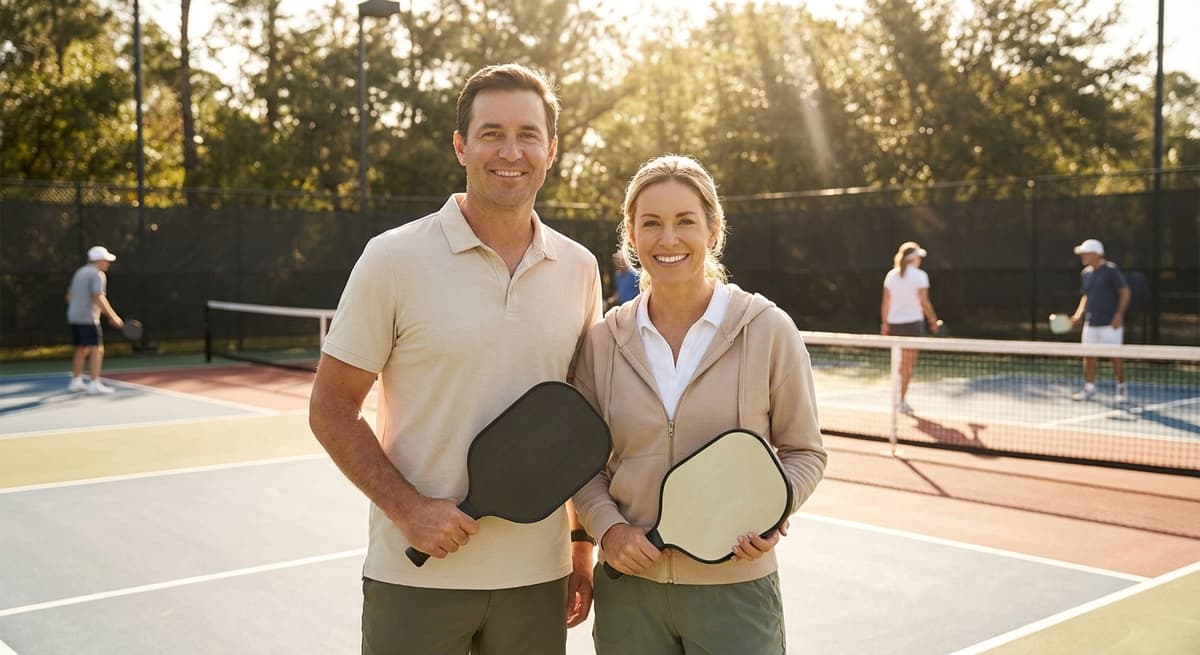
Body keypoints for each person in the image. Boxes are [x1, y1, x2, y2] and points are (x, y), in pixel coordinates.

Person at [307, 64, 602, 655]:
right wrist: (409, 510)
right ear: (461, 146)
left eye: (527, 134)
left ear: (551, 149)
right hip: (416, 578)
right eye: (491, 133)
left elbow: (573, 420)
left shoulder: (580, 269)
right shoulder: (392, 258)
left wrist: (578, 544)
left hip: (537, 580)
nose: (510, 151)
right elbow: (331, 408)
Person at [571, 155, 827, 655]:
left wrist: (774, 509)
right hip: (629, 593)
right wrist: (610, 528)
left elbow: (805, 452)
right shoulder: (603, 341)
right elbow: (581, 466)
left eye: (685, 221)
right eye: (652, 223)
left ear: (713, 229)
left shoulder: (768, 329)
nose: (669, 240)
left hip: (735, 593)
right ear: (632, 233)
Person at [880, 241, 940, 414]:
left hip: (894, 325)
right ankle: (901, 400)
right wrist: (933, 320)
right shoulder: (920, 275)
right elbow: (924, 302)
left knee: (898, 365)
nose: (920, 260)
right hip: (913, 325)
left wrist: (885, 324)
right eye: (918, 257)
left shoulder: (891, 275)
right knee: (907, 366)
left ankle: (898, 399)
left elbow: (885, 303)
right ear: (913, 258)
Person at [1069, 238, 1130, 402]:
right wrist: (1077, 315)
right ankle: (1089, 388)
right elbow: (1086, 296)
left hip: (1110, 324)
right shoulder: (1086, 273)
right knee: (1088, 356)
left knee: (1115, 357)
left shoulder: (1111, 270)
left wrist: (1118, 315)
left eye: (1085, 253)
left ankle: (1121, 388)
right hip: (1091, 323)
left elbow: (1125, 293)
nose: (1082, 256)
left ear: (1096, 254)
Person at [66, 245, 124, 394]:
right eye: (105, 260)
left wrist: (79, 307)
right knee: (97, 349)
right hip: (88, 317)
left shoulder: (80, 272)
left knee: (82, 348)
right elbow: (98, 297)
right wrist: (113, 317)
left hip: (74, 315)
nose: (108, 263)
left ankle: (76, 381)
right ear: (98, 260)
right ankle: (94, 383)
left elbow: (69, 296)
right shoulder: (97, 274)